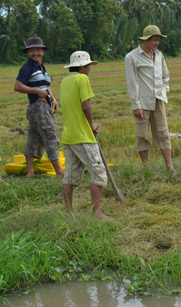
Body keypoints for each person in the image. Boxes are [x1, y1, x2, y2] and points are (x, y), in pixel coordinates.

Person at [60, 51, 112, 221]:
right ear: (82, 67)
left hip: (69, 136)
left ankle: (69, 214)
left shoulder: (64, 81)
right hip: (83, 136)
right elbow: (86, 106)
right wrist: (91, 126)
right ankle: (97, 213)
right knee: (98, 172)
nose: (90, 69)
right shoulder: (82, 79)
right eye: (88, 66)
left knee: (70, 175)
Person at [125, 25, 175, 174]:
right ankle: (146, 168)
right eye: (154, 40)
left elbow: (165, 76)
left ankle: (170, 167)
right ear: (146, 40)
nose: (157, 43)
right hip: (143, 102)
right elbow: (132, 83)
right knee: (142, 135)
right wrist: (136, 105)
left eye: (158, 40)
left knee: (163, 132)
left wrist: (164, 89)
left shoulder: (159, 55)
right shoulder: (132, 57)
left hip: (158, 100)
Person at [14, 37, 65, 177]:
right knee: (50, 135)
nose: (35, 53)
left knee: (34, 137)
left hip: (43, 105)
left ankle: (30, 171)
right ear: (27, 52)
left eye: (38, 50)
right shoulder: (27, 67)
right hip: (38, 107)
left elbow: (45, 86)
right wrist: (36, 91)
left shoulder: (41, 66)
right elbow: (17, 86)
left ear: (43, 51)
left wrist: (53, 99)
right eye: (32, 50)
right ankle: (59, 171)